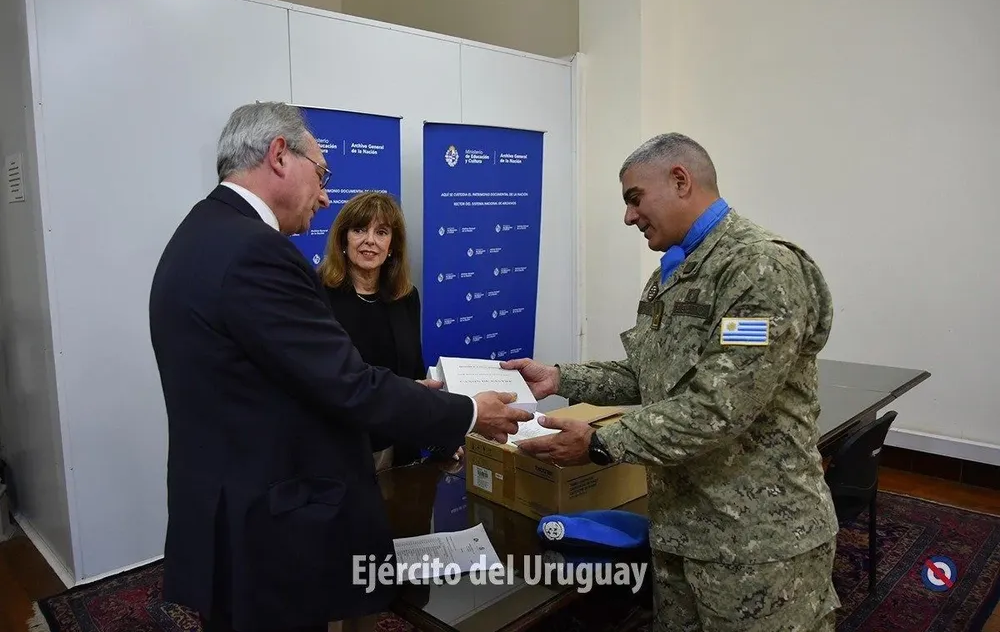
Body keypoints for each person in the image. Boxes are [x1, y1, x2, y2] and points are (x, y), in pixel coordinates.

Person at [148, 102, 532, 632]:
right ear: (279, 155)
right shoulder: (258, 252)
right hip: (264, 520)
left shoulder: (200, 230)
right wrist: (466, 412)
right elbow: (349, 385)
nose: (326, 196)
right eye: (322, 174)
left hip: (225, 499)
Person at [504, 133, 841, 631]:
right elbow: (647, 375)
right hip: (680, 526)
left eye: (634, 198)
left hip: (757, 542)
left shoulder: (760, 268)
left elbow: (718, 406)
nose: (628, 217)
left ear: (680, 180)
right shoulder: (672, 274)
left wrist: (599, 443)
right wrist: (557, 377)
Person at [317, 191, 457, 471]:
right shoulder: (318, 294)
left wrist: (438, 435)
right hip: (339, 449)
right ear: (343, 239)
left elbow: (414, 372)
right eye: (359, 230)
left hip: (398, 442)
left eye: (381, 232)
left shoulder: (405, 297)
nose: (370, 240)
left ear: (392, 246)